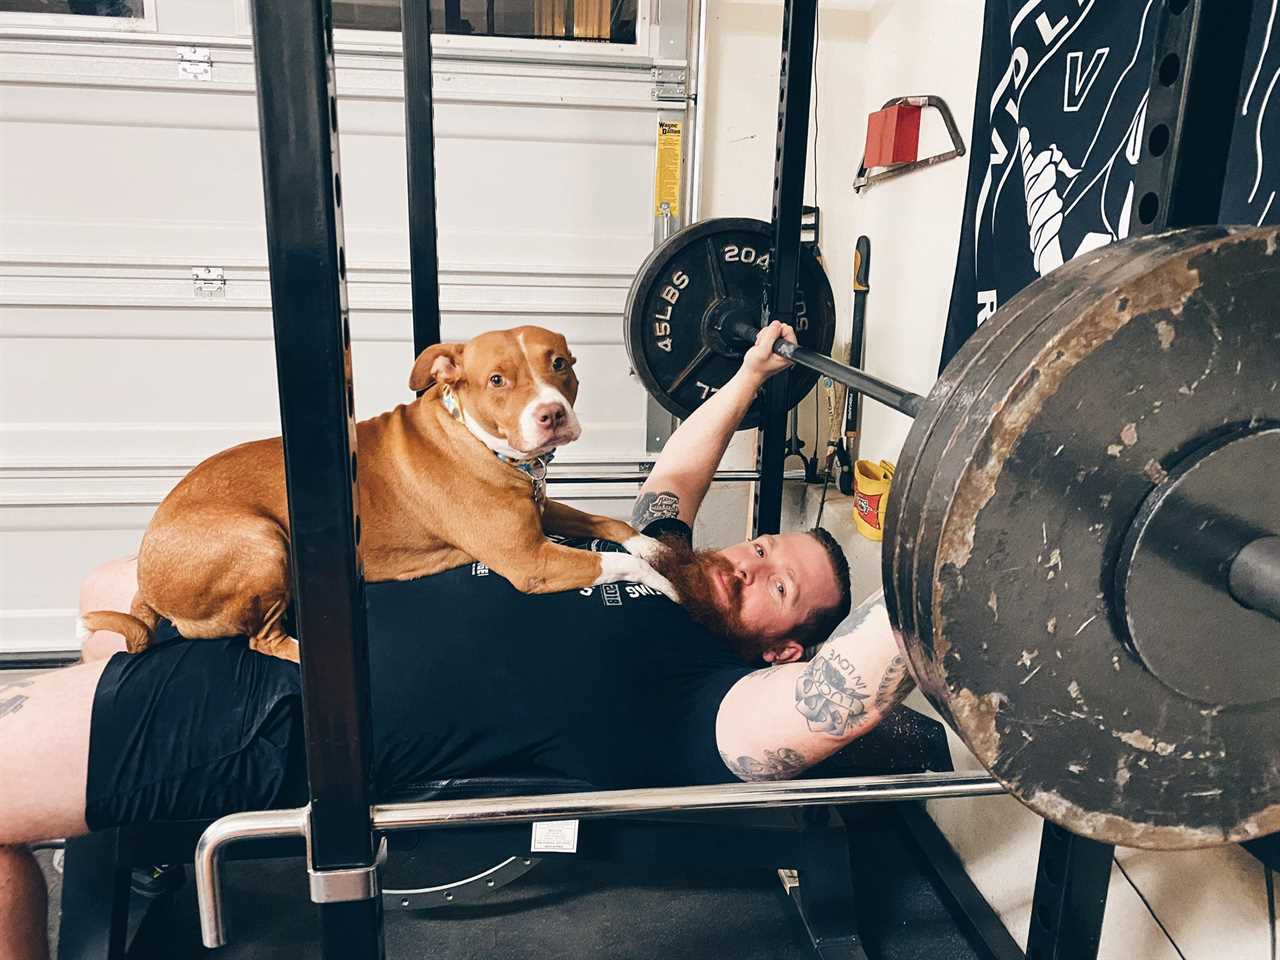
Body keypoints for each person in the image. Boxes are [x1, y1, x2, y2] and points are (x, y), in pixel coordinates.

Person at [0, 322, 913, 959]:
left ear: (784, 648)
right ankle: (133, 826)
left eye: (777, 586)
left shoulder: (712, 698)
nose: (746, 565)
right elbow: (680, 470)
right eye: (760, 544)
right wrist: (752, 376)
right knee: (112, 586)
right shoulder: (661, 559)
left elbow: (821, 707)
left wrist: (933, 578)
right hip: (288, 617)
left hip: (278, 714)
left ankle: (124, 813)